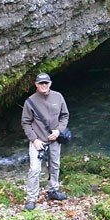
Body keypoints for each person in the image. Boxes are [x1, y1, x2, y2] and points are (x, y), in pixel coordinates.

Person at [21, 72, 69, 210]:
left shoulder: (58, 97)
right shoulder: (30, 101)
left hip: (54, 139)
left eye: (46, 83)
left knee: (54, 165)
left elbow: (65, 116)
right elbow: (26, 123)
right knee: (35, 169)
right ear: (36, 84)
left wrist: (59, 131)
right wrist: (34, 140)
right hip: (38, 141)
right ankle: (31, 199)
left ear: (50, 83)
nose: (44, 85)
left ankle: (53, 190)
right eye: (41, 83)